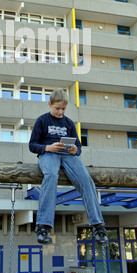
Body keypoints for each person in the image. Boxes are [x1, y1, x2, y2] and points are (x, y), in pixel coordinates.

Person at [29, 89, 108, 245]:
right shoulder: (42, 120)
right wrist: (47, 148)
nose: (60, 112)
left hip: (68, 155)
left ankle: (98, 226)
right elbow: (32, 145)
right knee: (51, 176)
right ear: (50, 104)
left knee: (86, 180)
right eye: (57, 108)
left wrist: (75, 150)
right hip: (49, 154)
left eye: (63, 109)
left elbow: (78, 146)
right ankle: (43, 226)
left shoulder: (69, 123)